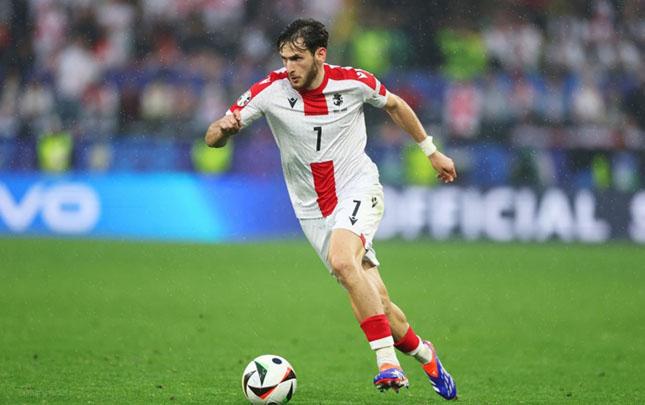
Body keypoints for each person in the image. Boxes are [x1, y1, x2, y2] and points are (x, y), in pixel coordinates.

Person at [205, 19, 458, 399]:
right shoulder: (269, 91)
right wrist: (223, 129)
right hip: (312, 210)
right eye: (284, 58)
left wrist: (431, 151)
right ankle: (426, 355)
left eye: (297, 58)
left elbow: (395, 105)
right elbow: (211, 137)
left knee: (343, 261)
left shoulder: (353, 82)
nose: (289, 67)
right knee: (378, 303)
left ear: (320, 54)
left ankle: (387, 363)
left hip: (358, 187)